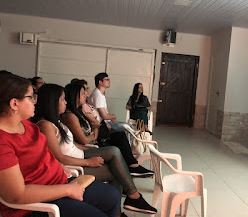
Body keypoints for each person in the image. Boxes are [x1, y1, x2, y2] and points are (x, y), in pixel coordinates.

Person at [0, 73, 120, 217]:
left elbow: (45, 155)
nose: (35, 101)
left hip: (58, 183)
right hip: (35, 204)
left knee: (112, 196)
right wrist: (67, 190)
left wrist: (60, 169)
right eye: (31, 97)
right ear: (14, 104)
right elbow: (17, 195)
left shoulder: (27, 126)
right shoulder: (3, 142)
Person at [33, 84, 157, 215]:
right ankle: (128, 201)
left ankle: (125, 202)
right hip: (74, 164)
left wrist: (95, 149)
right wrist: (89, 162)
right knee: (117, 166)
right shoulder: (46, 125)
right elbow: (60, 157)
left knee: (115, 155)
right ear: (52, 102)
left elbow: (72, 144)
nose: (65, 102)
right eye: (62, 99)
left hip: (80, 154)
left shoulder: (56, 121)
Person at [62, 82, 154, 178]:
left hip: (97, 136)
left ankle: (133, 166)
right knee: (123, 133)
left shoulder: (80, 111)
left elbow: (94, 125)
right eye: (82, 93)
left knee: (120, 135)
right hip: (92, 145)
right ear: (74, 96)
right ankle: (131, 169)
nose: (85, 94)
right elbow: (85, 139)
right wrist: (96, 129)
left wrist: (95, 128)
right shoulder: (71, 116)